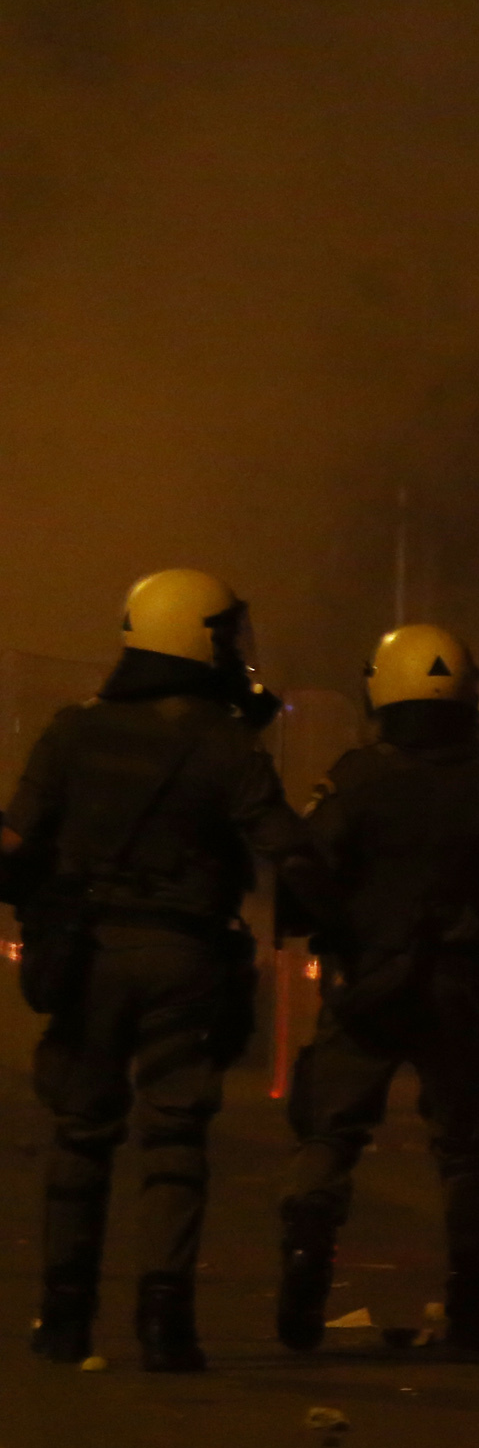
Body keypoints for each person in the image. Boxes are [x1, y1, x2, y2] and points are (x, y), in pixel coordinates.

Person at [3, 569, 317, 1370]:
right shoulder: (225, 743)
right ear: (197, 638)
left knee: (81, 1133)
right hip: (184, 958)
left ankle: (65, 1320)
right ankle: (164, 1326)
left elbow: (15, 845)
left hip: (90, 958)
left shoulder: (71, 731)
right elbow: (287, 851)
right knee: (174, 1138)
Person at [273, 626, 479, 1354]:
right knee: (467, 1150)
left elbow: (303, 868)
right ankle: (472, 1309)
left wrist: (345, 926)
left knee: (329, 1132)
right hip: (460, 987)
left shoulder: (357, 775)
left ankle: (304, 1274)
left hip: (369, 982)